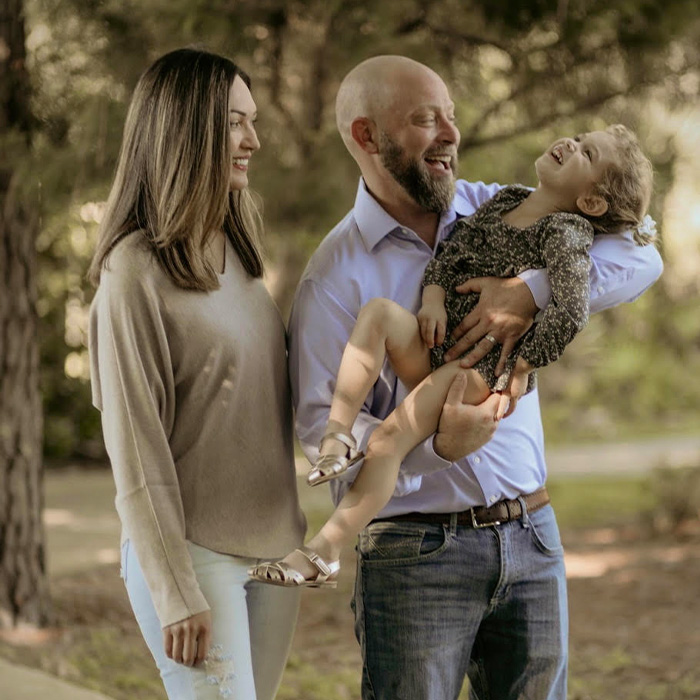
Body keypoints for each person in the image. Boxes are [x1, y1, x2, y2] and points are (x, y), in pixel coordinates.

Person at [283, 56, 661, 699]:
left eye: (451, 116)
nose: (450, 134)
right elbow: (322, 429)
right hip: (413, 558)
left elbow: (643, 256)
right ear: (366, 136)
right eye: (426, 120)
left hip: (533, 533)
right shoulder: (333, 277)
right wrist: (436, 444)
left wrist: (528, 292)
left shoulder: (497, 205)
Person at [248, 123, 656, 588]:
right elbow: (454, 249)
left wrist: (524, 360)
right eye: (580, 136)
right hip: (439, 341)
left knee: (387, 442)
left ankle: (324, 551)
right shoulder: (503, 202)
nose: (570, 142)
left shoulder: (564, 233)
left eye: (587, 153)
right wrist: (434, 297)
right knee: (379, 314)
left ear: (591, 203)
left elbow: (572, 311)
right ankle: (338, 436)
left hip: (478, 367)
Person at [87, 48, 306, 700]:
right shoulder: (131, 273)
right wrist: (174, 588)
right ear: (186, 128)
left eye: (253, 121)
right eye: (235, 122)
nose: (253, 140)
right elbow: (135, 448)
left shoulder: (235, 250)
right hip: (195, 555)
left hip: (273, 549)